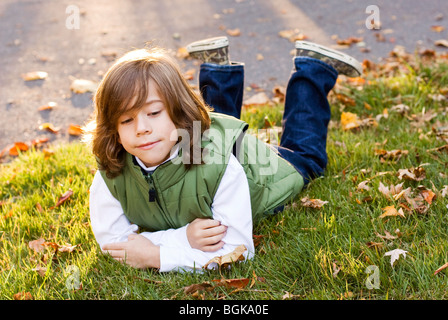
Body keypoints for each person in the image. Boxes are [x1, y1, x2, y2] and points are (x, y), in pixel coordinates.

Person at [85, 36, 362, 272]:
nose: (142, 128)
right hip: (218, 148)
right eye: (126, 120)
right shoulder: (111, 173)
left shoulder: (219, 166)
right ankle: (217, 67)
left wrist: (156, 255)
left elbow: (237, 250)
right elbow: (115, 244)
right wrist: (185, 238)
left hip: (268, 168)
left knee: (307, 158)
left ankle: (313, 68)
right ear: (113, 129)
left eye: (154, 112)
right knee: (214, 137)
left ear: (179, 113)